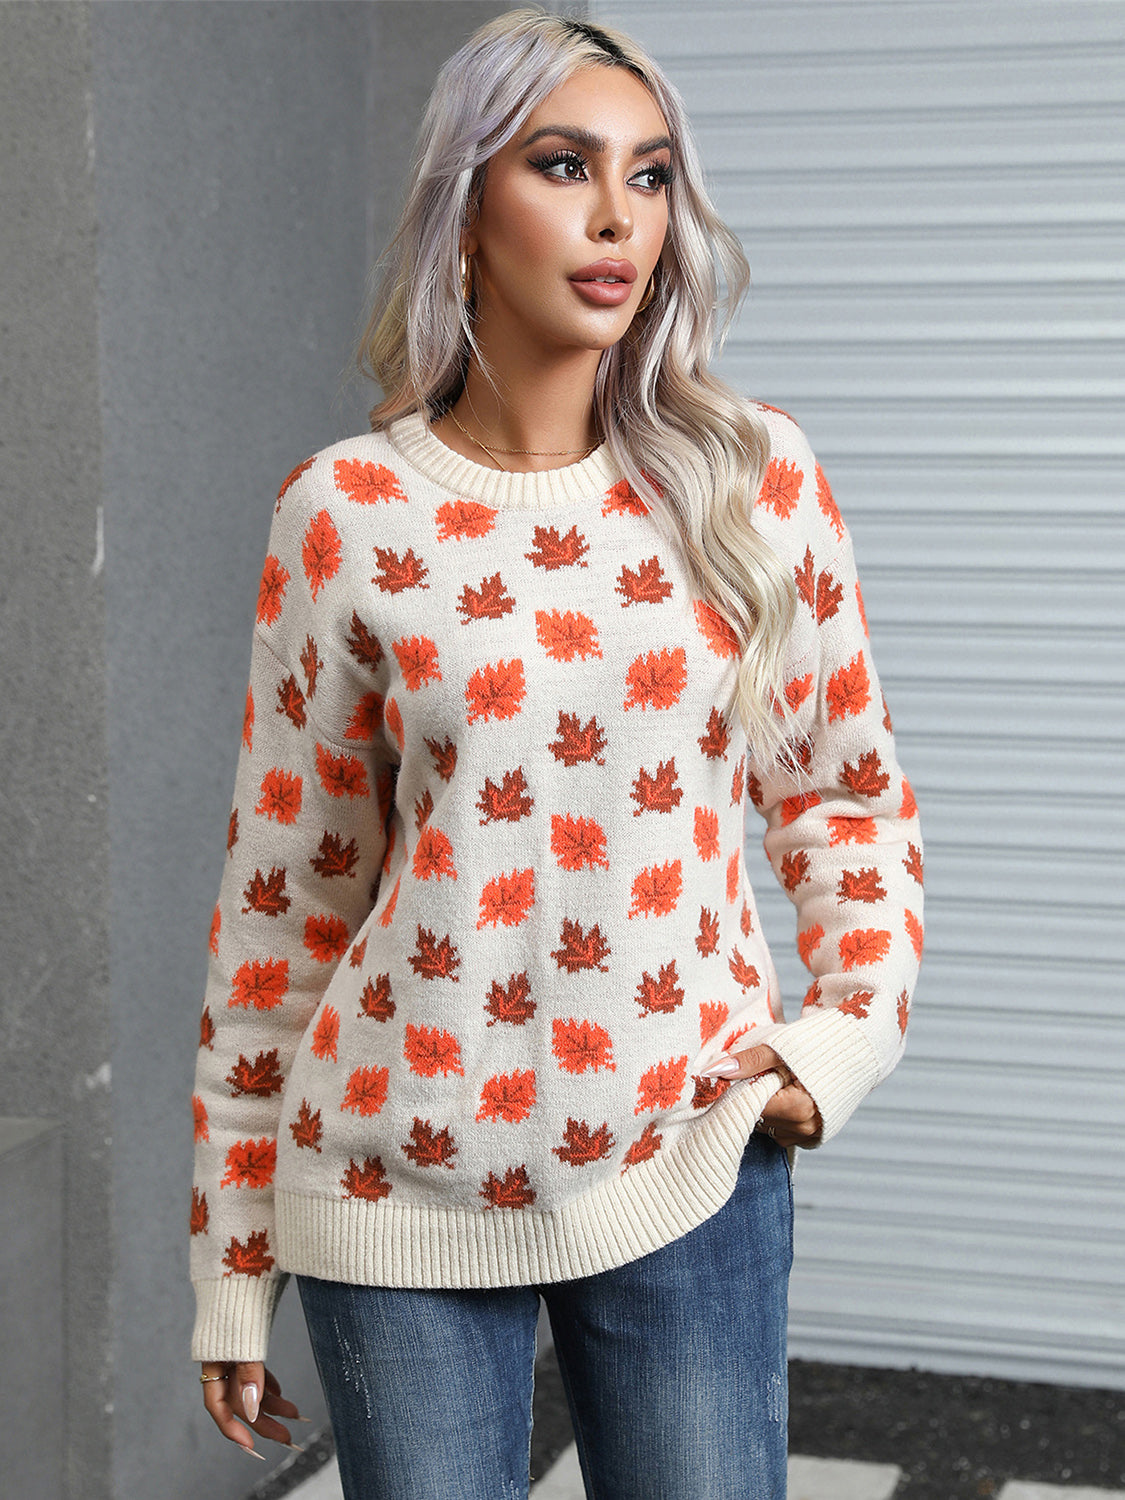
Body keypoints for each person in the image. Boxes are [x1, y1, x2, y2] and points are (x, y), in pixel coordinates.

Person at [190, 11, 923, 1498]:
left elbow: (845, 798)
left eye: (648, 176)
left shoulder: (751, 480)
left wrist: (839, 1038)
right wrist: (233, 1253)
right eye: (563, 165)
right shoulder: (344, 514)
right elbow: (286, 902)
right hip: (391, 1179)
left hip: (687, 1156)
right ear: (465, 210)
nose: (616, 219)